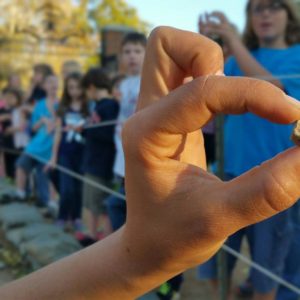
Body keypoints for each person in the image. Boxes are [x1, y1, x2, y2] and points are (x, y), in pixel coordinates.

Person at [0, 26, 300, 300]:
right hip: (150, 172)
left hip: (216, 168)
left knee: (266, 262)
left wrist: (134, 263)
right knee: (120, 209)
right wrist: (136, 262)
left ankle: (172, 285)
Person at [197, 1, 300, 299]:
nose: (265, 14)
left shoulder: (297, 55)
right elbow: (208, 95)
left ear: (290, 15)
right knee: (214, 261)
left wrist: (233, 41)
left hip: (277, 181)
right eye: (257, 8)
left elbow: (275, 91)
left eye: (274, 6)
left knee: (267, 271)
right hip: (228, 174)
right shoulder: (236, 59)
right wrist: (209, 46)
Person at [106, 31, 147, 232]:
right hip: (121, 155)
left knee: (117, 206)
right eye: (127, 52)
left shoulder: (149, 81)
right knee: (123, 207)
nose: (132, 56)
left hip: (139, 156)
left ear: (147, 54)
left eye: (137, 51)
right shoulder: (122, 84)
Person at [79, 67, 119, 242]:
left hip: (102, 163)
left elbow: (108, 134)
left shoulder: (111, 106)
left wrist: (87, 129)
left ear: (92, 87)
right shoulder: (98, 106)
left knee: (99, 202)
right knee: (90, 201)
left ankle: (101, 237)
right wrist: (84, 130)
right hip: (92, 160)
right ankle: (92, 233)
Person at [47, 72, 88, 230]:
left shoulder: (88, 107)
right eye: (71, 88)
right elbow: (58, 133)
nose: (74, 91)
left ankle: (76, 217)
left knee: (78, 187)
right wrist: (53, 156)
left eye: (78, 87)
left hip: (82, 154)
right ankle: (62, 216)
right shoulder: (63, 108)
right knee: (67, 188)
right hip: (65, 153)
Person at [14, 74, 59, 205]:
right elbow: (33, 127)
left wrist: (54, 121)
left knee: (44, 176)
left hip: (50, 147)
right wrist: (42, 121)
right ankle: (20, 193)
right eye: (50, 82)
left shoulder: (61, 104)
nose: (53, 85)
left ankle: (50, 202)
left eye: (55, 82)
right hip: (36, 145)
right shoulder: (39, 105)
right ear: (45, 86)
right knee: (21, 165)